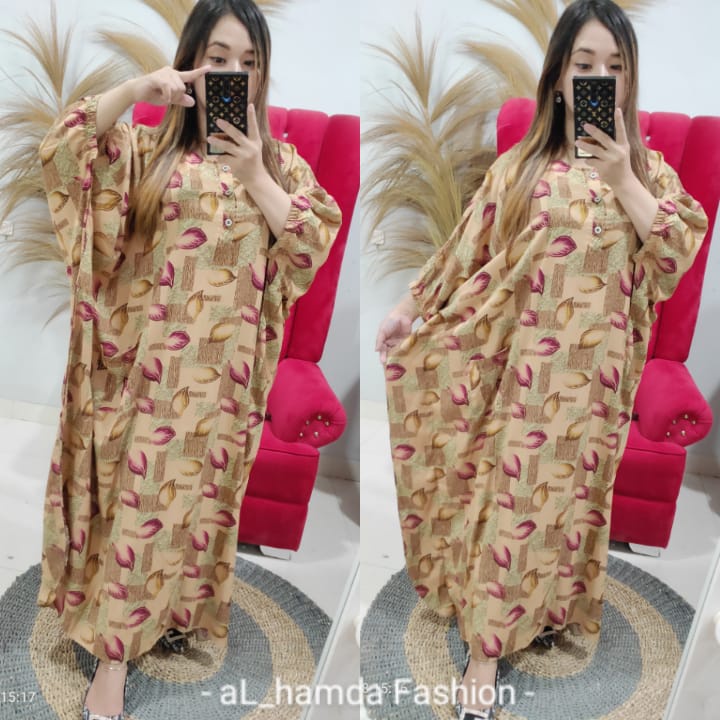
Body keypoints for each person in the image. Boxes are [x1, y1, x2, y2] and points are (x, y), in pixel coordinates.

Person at [375, 0, 707, 717]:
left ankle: (549, 606)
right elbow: (466, 247)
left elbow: (678, 250)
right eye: (584, 65)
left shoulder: (649, 175)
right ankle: (486, 655)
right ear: (558, 77)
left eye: (614, 68)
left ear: (629, 80)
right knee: (515, 498)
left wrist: (623, 177)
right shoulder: (523, 167)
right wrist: (409, 308)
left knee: (569, 501)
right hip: (520, 373)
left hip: (598, 382)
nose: (599, 79)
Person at [36, 1, 342, 718]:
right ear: (190, 63)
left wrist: (257, 174)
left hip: (223, 389)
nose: (232, 74)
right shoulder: (148, 151)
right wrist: (136, 89)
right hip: (143, 378)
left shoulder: (283, 167)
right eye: (218, 59)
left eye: (248, 63)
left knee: (190, 511)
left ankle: (168, 614)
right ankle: (113, 660)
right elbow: (64, 150)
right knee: (139, 507)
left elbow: (311, 245)